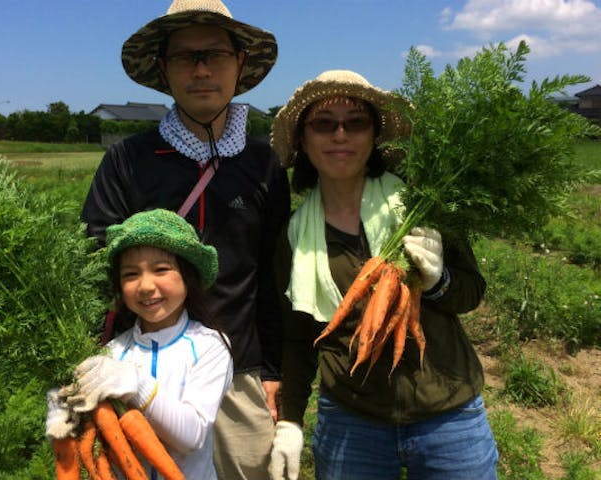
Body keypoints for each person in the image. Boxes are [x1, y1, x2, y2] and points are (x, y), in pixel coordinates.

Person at [79, 1, 290, 477]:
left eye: (214, 54)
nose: (201, 70)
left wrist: (273, 371)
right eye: (184, 57)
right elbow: (95, 264)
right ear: (163, 69)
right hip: (142, 370)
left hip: (238, 371)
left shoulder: (263, 163)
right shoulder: (129, 159)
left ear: (240, 64)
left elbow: (274, 276)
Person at [267, 70, 499, 480]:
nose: (341, 135)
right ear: (303, 141)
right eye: (324, 124)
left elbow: (471, 291)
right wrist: (290, 421)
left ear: (375, 136)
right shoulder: (293, 235)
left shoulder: (423, 206)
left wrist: (439, 282)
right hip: (351, 423)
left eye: (356, 123)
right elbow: (299, 337)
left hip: (448, 414)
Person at [48, 208, 234, 479]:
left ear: (188, 276)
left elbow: (191, 437)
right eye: (131, 274)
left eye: (161, 269)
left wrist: (136, 383)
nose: (146, 286)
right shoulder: (112, 354)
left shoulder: (209, 346)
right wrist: (65, 416)